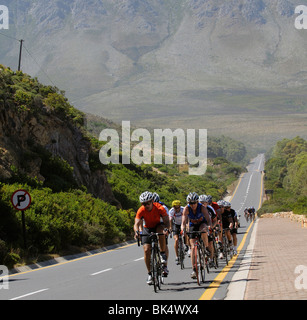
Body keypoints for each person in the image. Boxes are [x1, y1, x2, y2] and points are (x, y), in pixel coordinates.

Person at [134, 191, 170, 285]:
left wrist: (167, 229)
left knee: (160, 232)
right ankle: (150, 273)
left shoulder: (159, 207)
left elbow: (166, 220)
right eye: (144, 204)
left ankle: (162, 253)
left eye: (148, 203)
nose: (146, 205)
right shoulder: (141, 210)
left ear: (152, 201)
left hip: (158, 225)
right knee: (146, 250)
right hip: (148, 228)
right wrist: (137, 231)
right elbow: (136, 223)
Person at [181, 192, 212, 279]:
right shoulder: (186, 209)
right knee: (193, 248)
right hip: (192, 225)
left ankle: (206, 248)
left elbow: (208, 219)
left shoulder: (201, 207)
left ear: (197, 202)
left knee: (203, 230)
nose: (193, 205)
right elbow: (183, 221)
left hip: (202, 223)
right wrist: (182, 229)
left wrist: (209, 226)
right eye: (191, 203)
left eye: (194, 203)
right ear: (188, 203)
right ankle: (194, 269)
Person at [199, 195, 217, 267]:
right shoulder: (197, 209)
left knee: (210, 243)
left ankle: (211, 260)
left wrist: (211, 227)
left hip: (209, 226)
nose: (203, 204)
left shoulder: (210, 209)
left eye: (205, 203)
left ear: (207, 203)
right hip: (200, 226)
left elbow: (215, 220)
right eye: (201, 203)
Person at [169, 200, 188, 265]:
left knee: (185, 234)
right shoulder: (171, 211)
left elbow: (187, 217)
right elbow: (170, 220)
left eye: (178, 207)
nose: (177, 209)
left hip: (183, 224)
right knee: (176, 240)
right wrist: (171, 228)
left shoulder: (183, 209)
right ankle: (177, 257)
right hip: (176, 225)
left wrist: (186, 225)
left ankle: (186, 245)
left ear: (180, 206)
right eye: (175, 208)